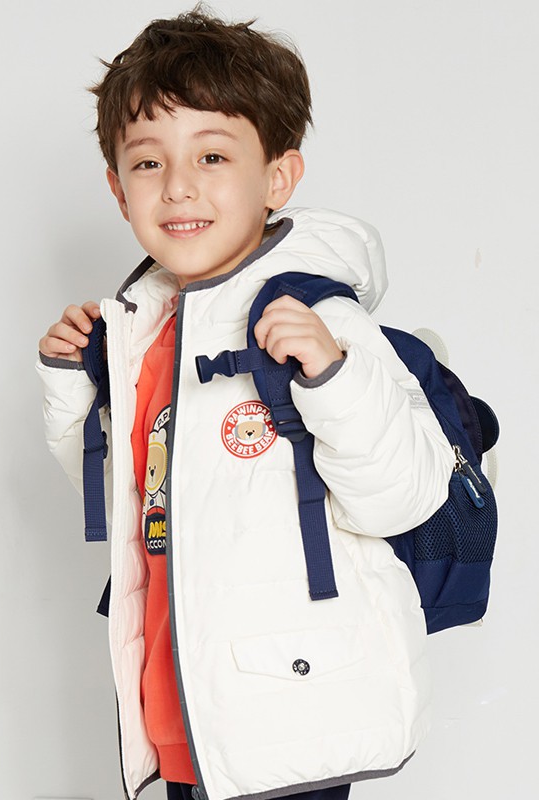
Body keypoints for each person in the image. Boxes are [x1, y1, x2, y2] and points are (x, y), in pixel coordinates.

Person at [37, 8, 455, 800]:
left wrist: (333, 377)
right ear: (118, 189)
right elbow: (125, 504)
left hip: (293, 708)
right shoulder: (144, 330)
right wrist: (72, 383)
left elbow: (403, 496)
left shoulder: (320, 316)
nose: (178, 185)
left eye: (213, 155)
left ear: (278, 178)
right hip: (187, 707)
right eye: (148, 162)